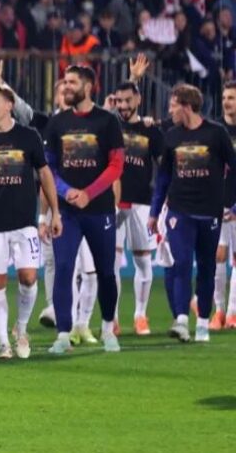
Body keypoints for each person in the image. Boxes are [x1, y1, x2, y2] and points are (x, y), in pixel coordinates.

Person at [0, 85, 62, 359]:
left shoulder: (28, 136)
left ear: (9, 105)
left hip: (24, 222)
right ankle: (2, 343)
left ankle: (20, 328)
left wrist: (55, 212)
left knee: (29, 278)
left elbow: (45, 175)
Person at [43, 65, 125, 354]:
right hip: (67, 211)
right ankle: (63, 334)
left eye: (72, 82)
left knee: (105, 272)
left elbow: (116, 165)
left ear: (88, 87)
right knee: (64, 268)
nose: (66, 86)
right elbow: (48, 168)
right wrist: (66, 192)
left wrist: (89, 193)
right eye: (65, 82)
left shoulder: (107, 121)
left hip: (99, 209)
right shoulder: (57, 123)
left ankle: (107, 329)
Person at [150, 84, 236, 343]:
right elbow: (163, 177)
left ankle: (202, 323)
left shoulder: (216, 134)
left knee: (207, 268)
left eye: (173, 106)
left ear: (187, 106)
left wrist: (232, 205)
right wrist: (155, 212)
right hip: (180, 211)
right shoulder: (172, 136)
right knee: (182, 262)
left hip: (210, 212)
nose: (170, 111)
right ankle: (181, 320)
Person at [113, 73, 162, 336]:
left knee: (143, 262)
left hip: (142, 202)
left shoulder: (150, 130)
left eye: (127, 100)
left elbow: (164, 165)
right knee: (112, 263)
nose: (123, 105)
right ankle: (112, 318)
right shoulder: (110, 126)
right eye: (119, 101)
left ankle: (140, 315)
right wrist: (131, 77)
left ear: (138, 100)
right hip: (113, 202)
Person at [218, 83, 236, 330]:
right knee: (218, 256)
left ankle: (232, 312)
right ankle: (219, 311)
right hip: (218, 205)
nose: (226, 102)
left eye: (231, 97)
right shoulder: (216, 130)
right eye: (224, 97)